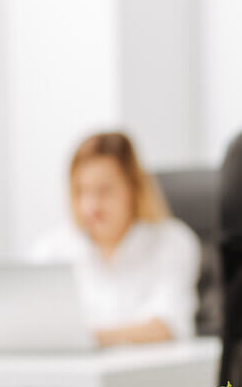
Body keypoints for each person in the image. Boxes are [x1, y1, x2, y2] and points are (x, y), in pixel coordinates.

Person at [32, 131, 201, 346]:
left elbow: (167, 325)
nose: (91, 205)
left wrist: (82, 339)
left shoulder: (173, 242)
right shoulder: (52, 248)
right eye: (82, 191)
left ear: (133, 189)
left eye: (104, 191)